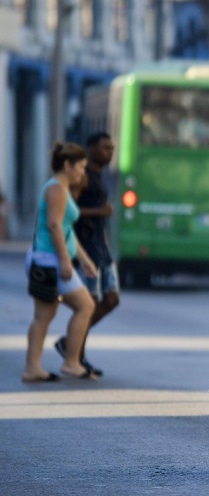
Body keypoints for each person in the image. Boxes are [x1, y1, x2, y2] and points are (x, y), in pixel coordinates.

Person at [23, 142, 98, 382]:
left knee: (45, 314)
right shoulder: (56, 188)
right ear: (67, 165)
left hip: (50, 259)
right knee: (84, 306)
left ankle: (34, 367)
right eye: (80, 167)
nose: (82, 173)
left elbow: (66, 229)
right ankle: (70, 362)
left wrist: (83, 259)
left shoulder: (61, 187)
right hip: (49, 260)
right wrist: (66, 261)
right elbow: (54, 225)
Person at [54, 132, 119, 377]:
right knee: (88, 305)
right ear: (91, 148)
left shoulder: (99, 177)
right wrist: (100, 211)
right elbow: (71, 211)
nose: (109, 152)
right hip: (86, 250)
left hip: (101, 250)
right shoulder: (82, 178)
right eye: (104, 147)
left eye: (112, 148)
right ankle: (76, 356)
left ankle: (69, 344)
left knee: (111, 300)